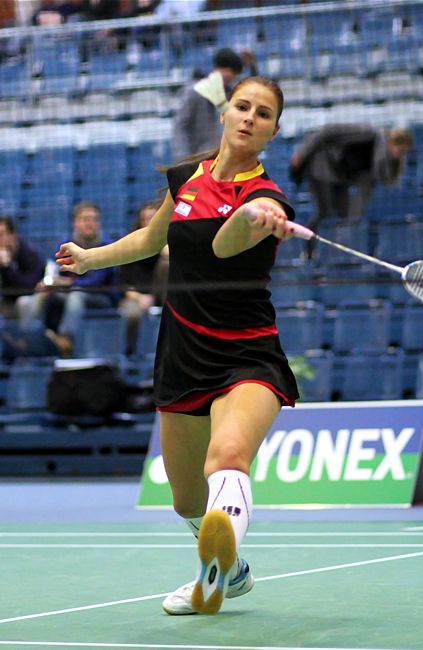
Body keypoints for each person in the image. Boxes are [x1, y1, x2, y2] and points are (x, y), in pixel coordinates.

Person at [55, 75, 299, 616]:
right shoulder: (186, 176)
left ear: (272, 132)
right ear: (224, 113)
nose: (248, 118)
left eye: (262, 114)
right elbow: (151, 238)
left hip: (248, 354)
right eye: (242, 106)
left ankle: (209, 579)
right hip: (184, 352)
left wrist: (256, 217)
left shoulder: (268, 197)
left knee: (228, 457)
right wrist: (91, 258)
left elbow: (224, 243)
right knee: (187, 499)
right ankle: (233, 573)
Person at [289, 124, 414, 259]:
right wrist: (302, 153)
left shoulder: (377, 163)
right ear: (391, 142)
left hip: (341, 177)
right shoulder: (367, 133)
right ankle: (308, 252)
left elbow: (379, 180)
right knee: (325, 211)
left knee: (345, 216)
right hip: (321, 166)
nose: (398, 156)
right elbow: (328, 131)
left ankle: (336, 256)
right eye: (400, 151)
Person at [18, 201, 119, 357]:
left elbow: (96, 281)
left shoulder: (106, 245)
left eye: (94, 219)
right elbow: (53, 268)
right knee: (35, 297)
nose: (90, 224)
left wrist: (69, 283)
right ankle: (31, 337)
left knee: (76, 295)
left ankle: (66, 341)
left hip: (100, 296)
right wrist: (49, 283)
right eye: (85, 219)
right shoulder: (66, 243)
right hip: (69, 292)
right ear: (75, 223)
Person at [171, 47, 256, 163]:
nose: (228, 75)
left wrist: (252, 67)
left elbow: (257, 93)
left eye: (232, 72)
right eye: (225, 69)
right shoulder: (195, 91)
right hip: (200, 160)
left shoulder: (233, 93)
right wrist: (183, 160)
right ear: (215, 68)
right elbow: (180, 126)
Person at [119, 201, 169, 355]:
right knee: (132, 314)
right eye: (145, 219)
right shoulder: (129, 246)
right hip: (135, 297)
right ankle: (129, 353)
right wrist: (139, 298)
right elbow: (123, 284)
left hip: (164, 296)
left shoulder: (168, 246)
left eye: (153, 219)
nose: (149, 223)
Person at [0, 216, 45, 319]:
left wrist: (7, 266)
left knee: (23, 302)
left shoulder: (30, 254)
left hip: (31, 299)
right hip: (6, 302)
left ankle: (28, 335)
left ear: (13, 235)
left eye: (1, 235)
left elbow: (29, 288)